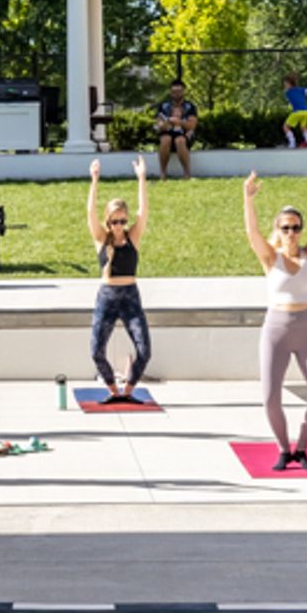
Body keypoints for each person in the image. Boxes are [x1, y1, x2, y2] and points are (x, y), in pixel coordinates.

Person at [242, 164, 307, 470]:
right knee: (270, 398)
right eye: (285, 228)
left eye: (296, 227)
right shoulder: (271, 258)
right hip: (276, 330)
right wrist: (248, 198)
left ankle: (303, 446)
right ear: (278, 230)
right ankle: (284, 448)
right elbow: (252, 233)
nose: (291, 233)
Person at [86, 156, 153, 404]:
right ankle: (113, 389)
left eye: (123, 221)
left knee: (145, 351)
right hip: (107, 297)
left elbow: (143, 212)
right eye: (114, 221)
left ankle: (128, 390)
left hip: (130, 297)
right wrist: (94, 180)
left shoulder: (132, 237)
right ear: (108, 221)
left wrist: (142, 178)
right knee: (96, 351)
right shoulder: (101, 238)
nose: (119, 225)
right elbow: (90, 212)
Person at [154, 80, 197, 180]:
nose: (176, 94)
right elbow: (159, 124)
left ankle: (187, 174)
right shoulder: (163, 106)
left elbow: (192, 125)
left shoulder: (190, 107)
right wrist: (167, 121)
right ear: (170, 92)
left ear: (184, 92)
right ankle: (163, 173)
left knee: (180, 141)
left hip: (184, 134)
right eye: (174, 92)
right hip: (167, 133)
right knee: (165, 140)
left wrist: (179, 121)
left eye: (179, 91)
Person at [282, 73, 307, 149]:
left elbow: (292, 95)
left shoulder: (288, 92)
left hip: (297, 112)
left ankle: (292, 143)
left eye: (285, 83)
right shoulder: (302, 89)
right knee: (303, 127)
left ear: (288, 83)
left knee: (285, 127)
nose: (284, 85)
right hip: (306, 111)